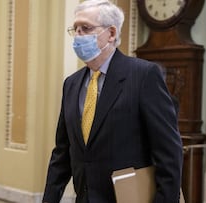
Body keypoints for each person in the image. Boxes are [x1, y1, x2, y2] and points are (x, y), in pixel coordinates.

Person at [42, 0, 183, 202]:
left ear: (111, 33)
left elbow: (169, 152)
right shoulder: (71, 84)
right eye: (75, 29)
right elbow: (63, 153)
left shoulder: (143, 76)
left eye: (86, 28)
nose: (78, 35)